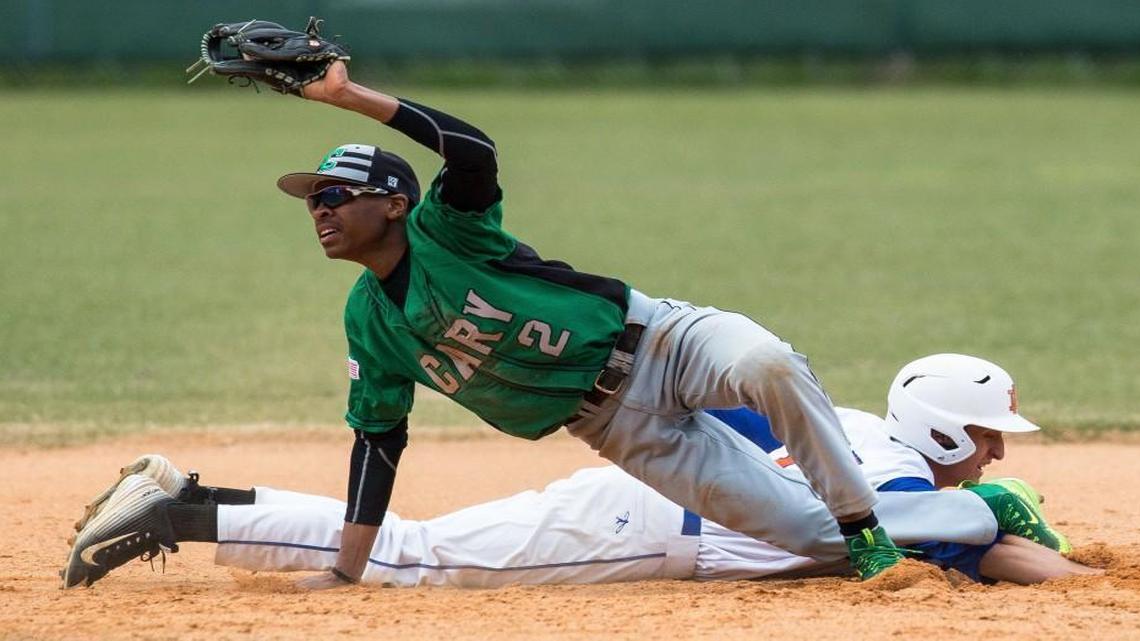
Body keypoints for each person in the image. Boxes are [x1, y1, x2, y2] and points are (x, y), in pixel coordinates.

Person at [63, 355, 1089, 588]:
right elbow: (949, 531)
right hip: (644, 528)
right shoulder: (913, 484)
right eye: (990, 436)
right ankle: (184, 502)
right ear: (945, 433)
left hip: (652, 498)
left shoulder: (848, 421)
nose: (998, 450)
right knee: (415, 558)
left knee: (420, 555)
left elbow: (725, 408)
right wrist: (1045, 553)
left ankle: (218, 520)